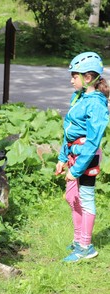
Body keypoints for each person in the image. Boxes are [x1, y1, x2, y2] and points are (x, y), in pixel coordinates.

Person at [55, 52, 109, 262]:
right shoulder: (79, 97)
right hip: (72, 157)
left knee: (86, 200)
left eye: (74, 76)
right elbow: (69, 131)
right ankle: (78, 241)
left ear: (88, 78)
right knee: (71, 197)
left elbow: (93, 141)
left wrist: (76, 170)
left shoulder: (96, 103)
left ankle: (86, 247)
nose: (71, 80)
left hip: (87, 159)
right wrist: (62, 158)